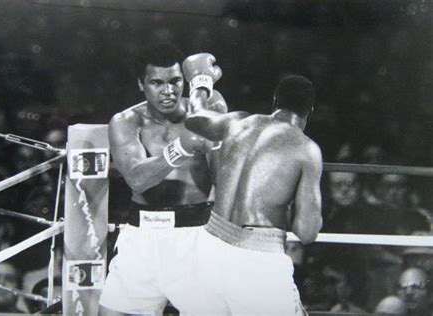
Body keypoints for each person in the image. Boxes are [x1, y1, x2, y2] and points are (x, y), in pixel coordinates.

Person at [98, 45, 227, 316]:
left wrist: (204, 103)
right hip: (142, 236)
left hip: (197, 235)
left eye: (175, 81)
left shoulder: (207, 107)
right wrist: (182, 147)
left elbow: (222, 175)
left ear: (185, 81)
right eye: (157, 83)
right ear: (141, 84)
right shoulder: (126, 122)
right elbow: (136, 178)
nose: (168, 91)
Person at [183, 72, 323, 315]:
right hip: (258, 257)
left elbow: (194, 118)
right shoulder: (306, 149)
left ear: (274, 101)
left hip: (209, 245)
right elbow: (307, 232)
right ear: (309, 112)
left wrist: (201, 80)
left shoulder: (237, 122)